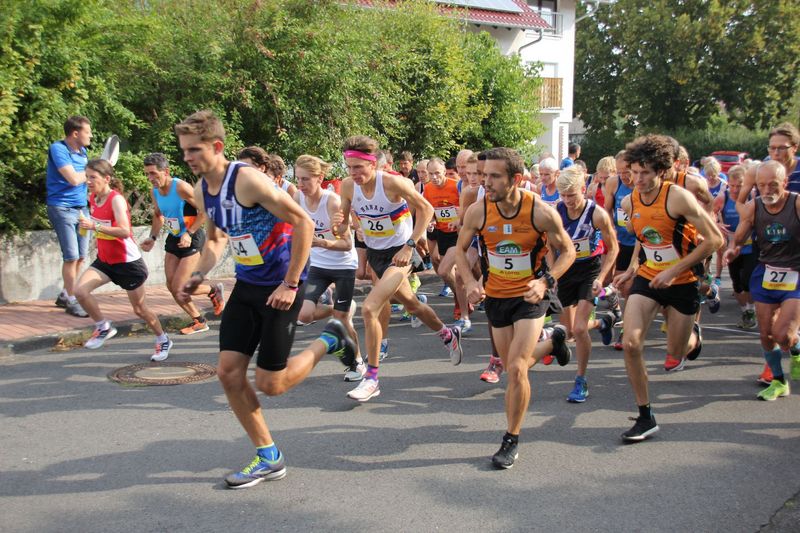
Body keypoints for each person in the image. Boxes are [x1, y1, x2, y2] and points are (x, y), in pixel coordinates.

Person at [175, 110, 356, 489]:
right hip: (247, 285)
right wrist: (197, 274)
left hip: (280, 285)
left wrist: (291, 283)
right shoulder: (200, 189)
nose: (188, 157)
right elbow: (215, 241)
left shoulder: (247, 180)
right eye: (184, 150)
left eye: (195, 149)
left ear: (217, 147)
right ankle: (268, 456)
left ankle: (332, 339)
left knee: (271, 385)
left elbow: (302, 222)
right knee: (228, 373)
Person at [456, 147, 576, 469]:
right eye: (484, 176)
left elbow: (568, 252)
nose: (487, 182)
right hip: (496, 296)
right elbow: (459, 250)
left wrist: (545, 282)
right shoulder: (477, 211)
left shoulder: (540, 211)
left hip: (529, 296)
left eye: (494, 176)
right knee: (511, 367)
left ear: (516, 179)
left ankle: (511, 438)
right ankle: (553, 341)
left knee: (518, 369)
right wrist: (469, 281)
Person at [613, 134, 723, 442]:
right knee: (632, 343)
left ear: (661, 171)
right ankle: (645, 415)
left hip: (683, 281)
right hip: (649, 277)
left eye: (645, 173)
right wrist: (632, 269)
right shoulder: (628, 201)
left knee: (675, 352)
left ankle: (693, 337)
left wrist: (675, 270)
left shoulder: (678, 197)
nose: (638, 179)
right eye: (633, 173)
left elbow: (716, 240)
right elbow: (644, 238)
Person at [336, 135, 463, 402]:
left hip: (400, 255)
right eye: (349, 167)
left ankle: (371, 378)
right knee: (412, 304)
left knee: (371, 307)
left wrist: (410, 245)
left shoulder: (393, 183)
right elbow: (343, 225)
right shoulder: (348, 187)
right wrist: (340, 224)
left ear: (374, 164)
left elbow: (426, 209)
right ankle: (448, 334)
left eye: (359, 167)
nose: (353, 173)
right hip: (376, 255)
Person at [74, 159, 173, 361]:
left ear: (106, 179)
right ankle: (103, 327)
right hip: (105, 261)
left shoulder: (116, 200)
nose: (89, 182)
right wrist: (87, 228)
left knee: (140, 310)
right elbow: (98, 226)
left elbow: (123, 231)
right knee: (79, 292)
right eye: (87, 177)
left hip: (128, 264)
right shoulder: (92, 198)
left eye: (93, 177)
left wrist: (95, 227)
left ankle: (163, 339)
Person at [724, 161, 800, 401]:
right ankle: (778, 382)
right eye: (762, 185)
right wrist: (733, 249)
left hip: (796, 275)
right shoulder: (754, 207)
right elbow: (741, 235)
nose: (767, 190)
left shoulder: (797, 203)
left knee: (782, 335)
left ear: (785, 183)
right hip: (766, 273)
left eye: (773, 185)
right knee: (766, 333)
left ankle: (795, 347)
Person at [294, 154, 365, 382]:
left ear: (320, 178)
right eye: (298, 179)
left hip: (343, 265)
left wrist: (321, 242)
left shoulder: (332, 201)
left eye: (306, 179)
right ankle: (339, 308)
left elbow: (346, 245)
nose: (301, 185)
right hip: (319, 264)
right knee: (304, 315)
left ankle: (358, 362)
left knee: (342, 320)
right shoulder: (298, 198)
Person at [139, 153, 225, 335]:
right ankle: (199, 320)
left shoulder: (180, 187)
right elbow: (158, 215)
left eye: (154, 174)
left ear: (166, 171)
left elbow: (204, 211)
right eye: (148, 174)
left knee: (180, 287)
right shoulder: (154, 192)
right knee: (171, 286)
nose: (151, 178)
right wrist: (152, 238)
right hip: (174, 237)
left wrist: (189, 232)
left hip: (192, 236)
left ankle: (212, 290)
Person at [554, 167, 618, 403]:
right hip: (565, 271)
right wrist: (552, 274)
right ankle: (605, 321)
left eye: (572, 194)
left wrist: (601, 277)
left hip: (589, 271)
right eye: (563, 195)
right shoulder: (556, 212)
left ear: (583, 190)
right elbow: (548, 245)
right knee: (570, 331)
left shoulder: (597, 214)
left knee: (580, 329)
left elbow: (613, 248)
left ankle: (581, 380)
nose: (567, 200)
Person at [47, 116, 93, 318]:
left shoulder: (83, 152)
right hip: (62, 209)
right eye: (87, 131)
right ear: (76, 133)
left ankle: (65, 293)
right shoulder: (59, 149)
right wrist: (92, 171)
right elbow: (74, 179)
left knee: (81, 255)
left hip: (81, 209)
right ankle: (72, 300)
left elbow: (85, 181)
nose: (90, 135)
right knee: (71, 256)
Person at [422, 158, 471, 333]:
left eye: (437, 173)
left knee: (443, 271)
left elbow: (466, 208)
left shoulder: (455, 185)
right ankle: (462, 300)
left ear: (444, 171)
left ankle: (463, 303)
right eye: (431, 174)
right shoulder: (427, 189)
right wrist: (431, 221)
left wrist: (460, 217)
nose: (434, 177)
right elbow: (430, 211)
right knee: (447, 273)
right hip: (442, 232)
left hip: (458, 234)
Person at [713, 165, 756, 330]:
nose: (736, 189)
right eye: (732, 185)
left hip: (750, 245)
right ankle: (745, 310)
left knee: (749, 280)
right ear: (728, 183)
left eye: (740, 185)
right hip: (731, 245)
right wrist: (717, 223)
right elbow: (708, 214)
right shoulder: (722, 197)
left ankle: (751, 309)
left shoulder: (752, 196)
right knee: (737, 283)